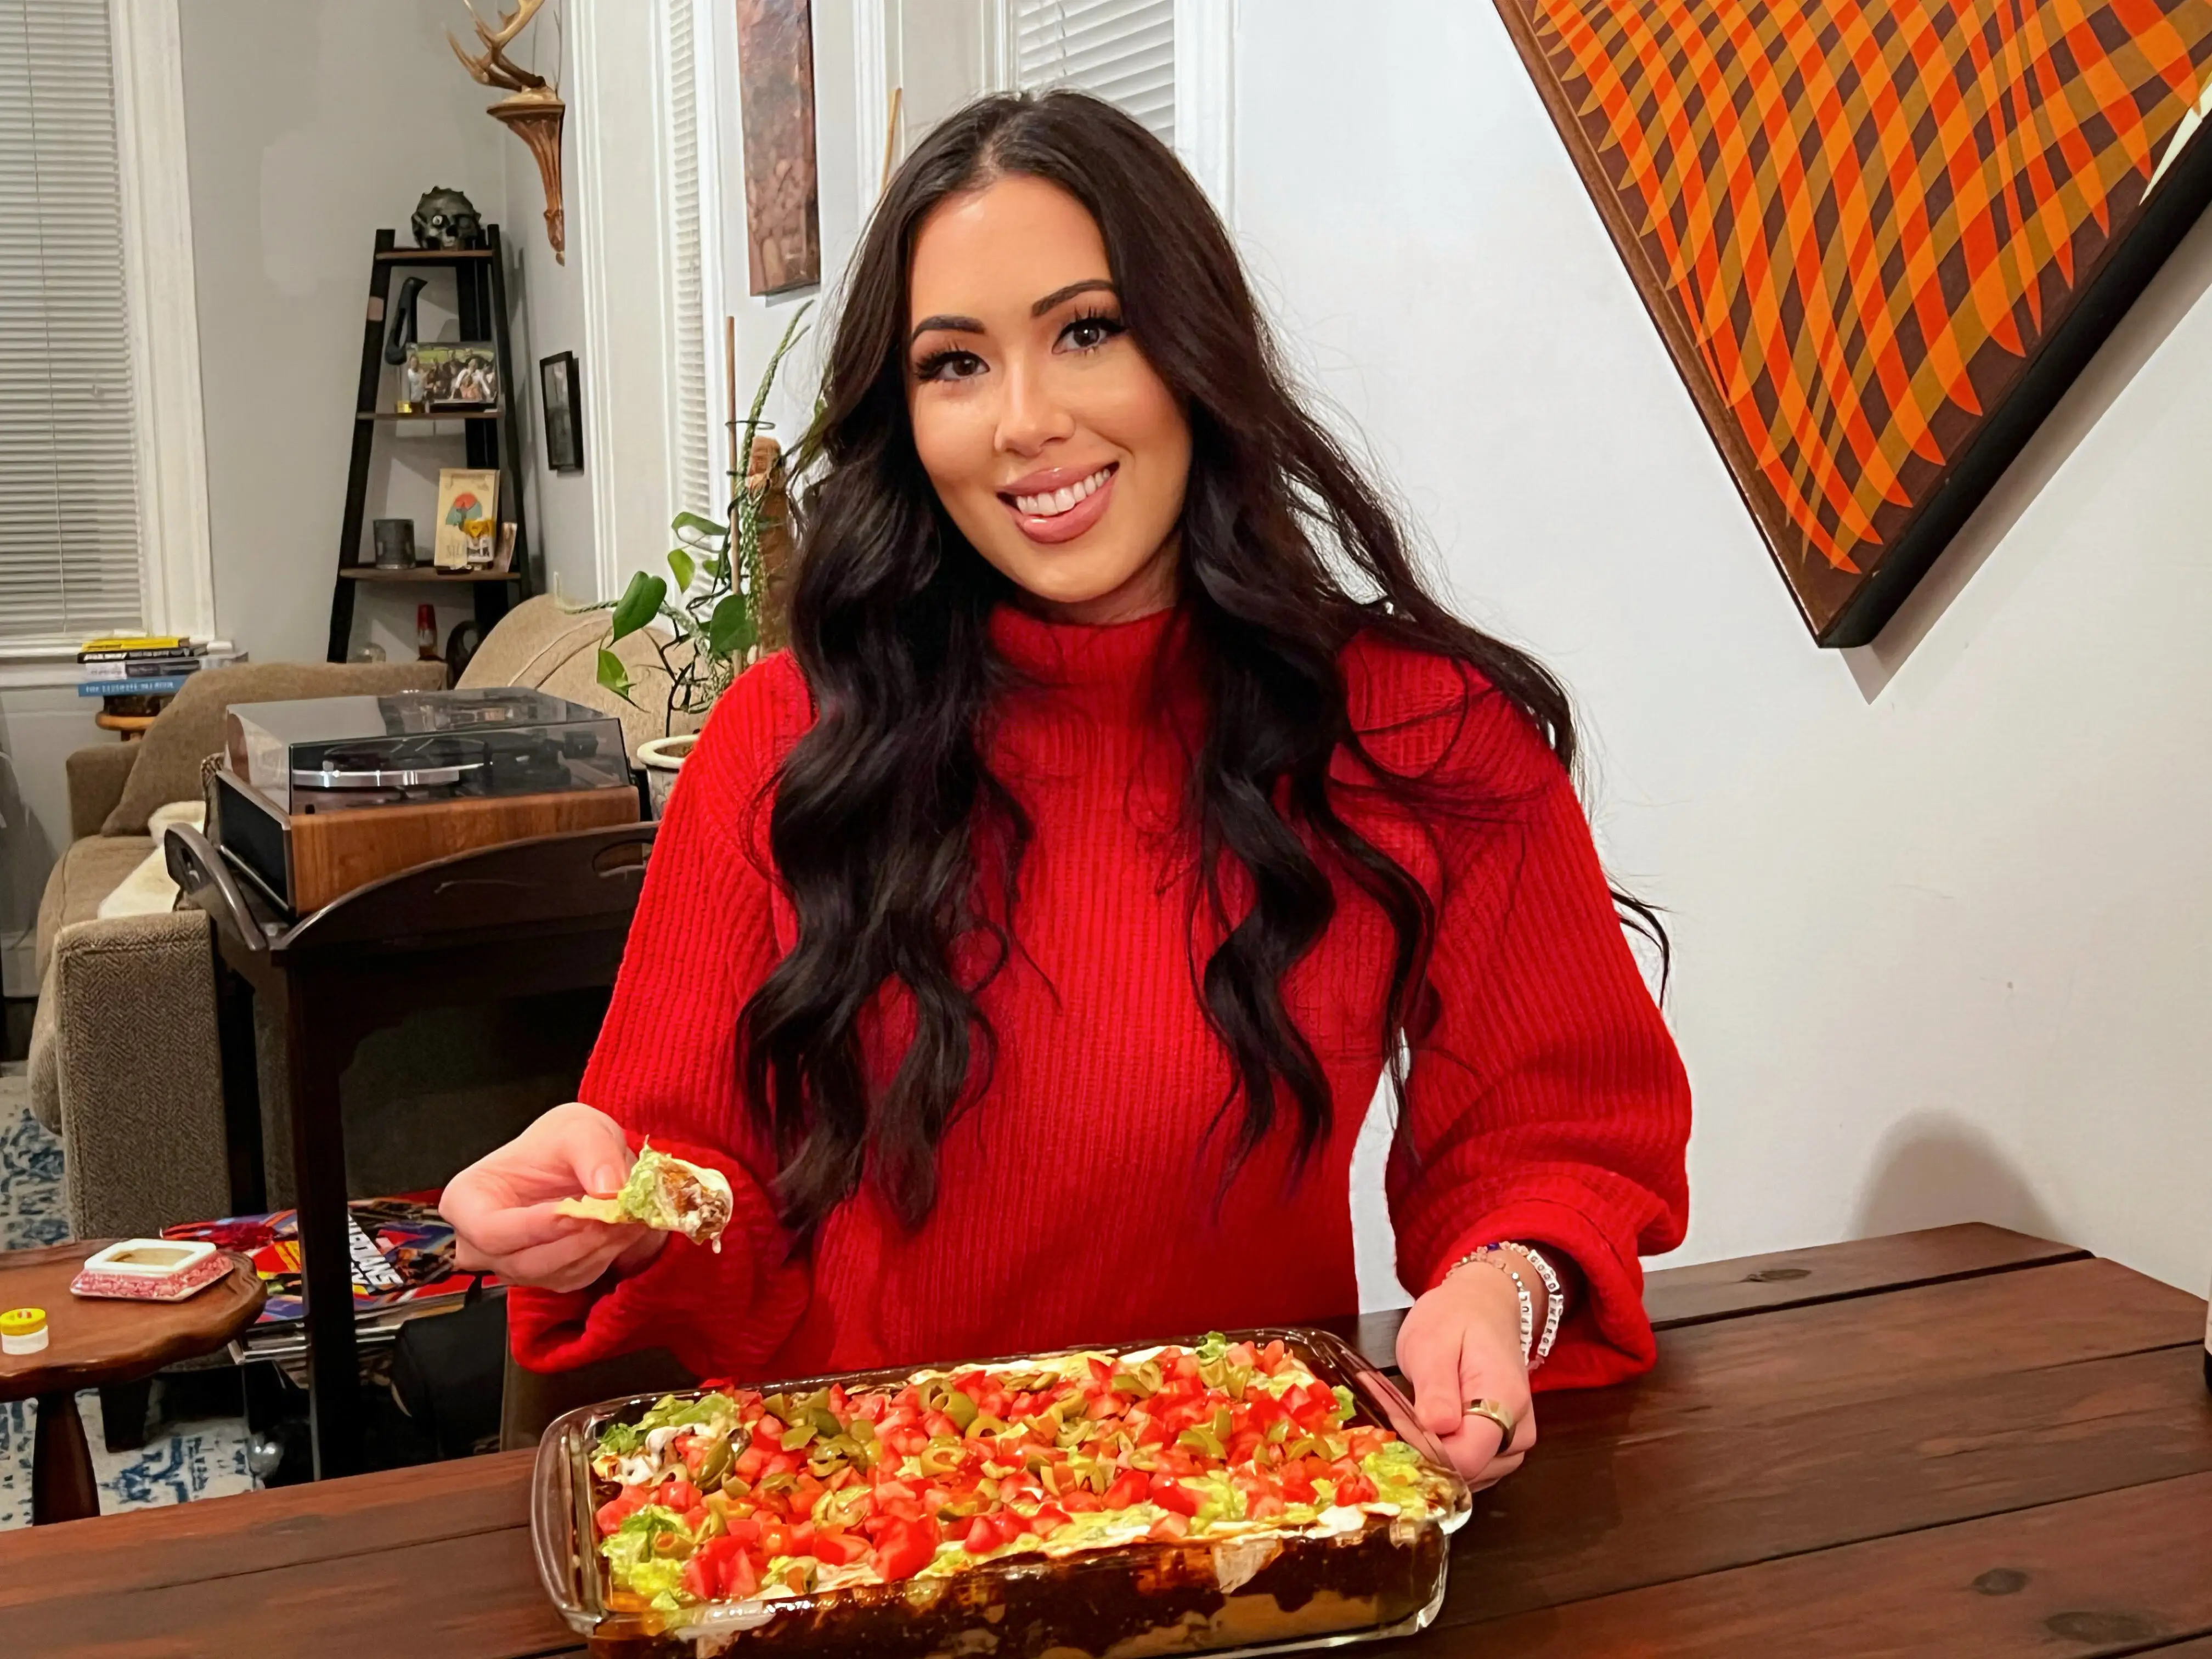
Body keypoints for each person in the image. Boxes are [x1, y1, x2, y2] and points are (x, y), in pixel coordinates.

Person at [441, 91, 1690, 1488]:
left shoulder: (1427, 733)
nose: (1025, 423)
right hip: (864, 1536)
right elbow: (687, 1178)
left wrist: (1500, 1289)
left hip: (1253, 1529)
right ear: (901, 415)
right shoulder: (783, 738)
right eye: (955, 364)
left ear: (1195, 349)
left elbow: (1558, 1135)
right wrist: (604, 1210)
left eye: (1087, 331)